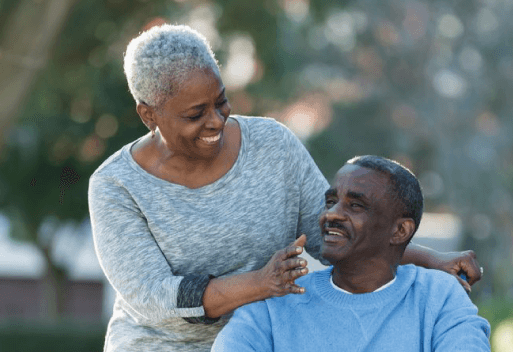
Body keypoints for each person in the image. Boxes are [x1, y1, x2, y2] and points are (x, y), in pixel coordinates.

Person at [88, 24, 483, 351]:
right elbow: (155, 297)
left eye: (221, 102)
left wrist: (432, 259)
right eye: (195, 114)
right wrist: (260, 283)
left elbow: (332, 230)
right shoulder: (115, 185)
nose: (216, 121)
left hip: (264, 338)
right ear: (148, 114)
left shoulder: (272, 144)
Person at [212, 156, 491, 352]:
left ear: (400, 231)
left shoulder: (439, 297)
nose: (331, 214)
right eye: (331, 202)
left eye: (355, 206)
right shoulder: (273, 305)